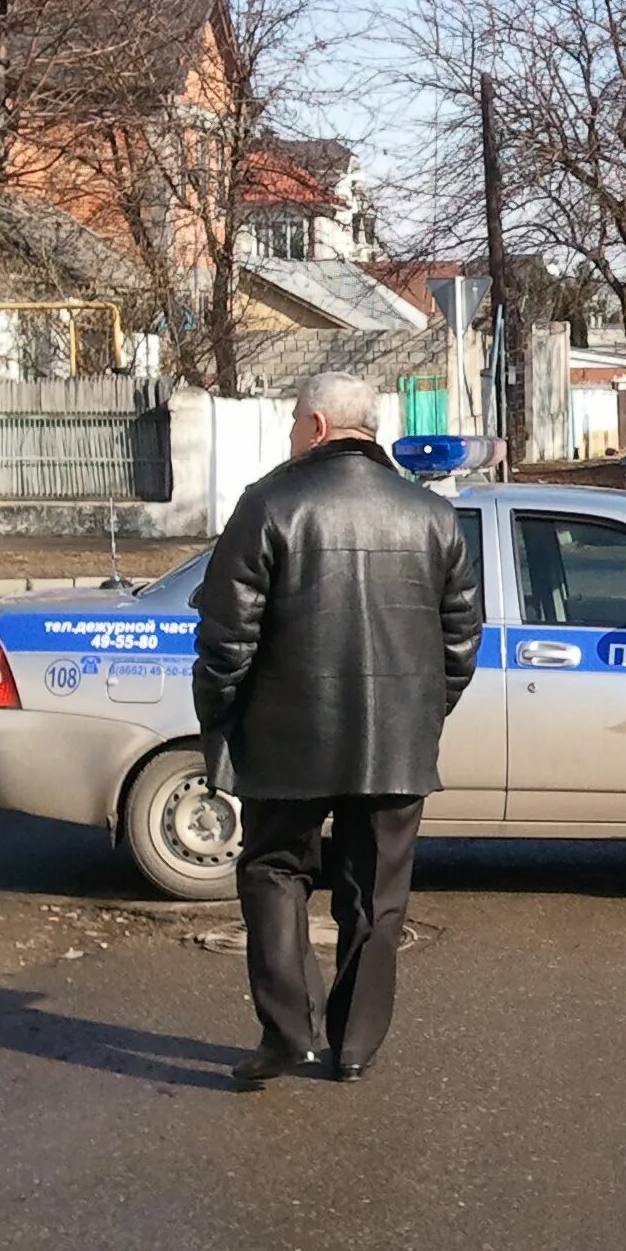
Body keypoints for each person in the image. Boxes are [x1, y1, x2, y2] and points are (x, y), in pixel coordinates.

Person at [193, 371, 483, 1088]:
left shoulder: (268, 504)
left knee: (272, 873)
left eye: (295, 421)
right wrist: (421, 715)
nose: (292, 433)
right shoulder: (431, 515)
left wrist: (219, 717)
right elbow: (461, 641)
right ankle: (354, 1046)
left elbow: (227, 637)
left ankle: (290, 1031)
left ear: (317, 427)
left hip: (284, 737)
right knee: (376, 895)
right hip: (397, 744)